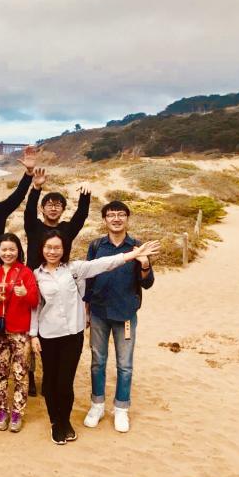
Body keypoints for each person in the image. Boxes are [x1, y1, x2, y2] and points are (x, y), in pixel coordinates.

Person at [30, 229, 159, 445]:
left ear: (64, 250)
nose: (52, 252)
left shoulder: (75, 269)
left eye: (57, 248)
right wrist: (33, 335)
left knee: (65, 382)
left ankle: (65, 421)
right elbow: (35, 307)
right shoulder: (35, 275)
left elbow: (106, 263)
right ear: (42, 249)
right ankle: (55, 423)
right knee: (50, 382)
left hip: (73, 334)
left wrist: (132, 256)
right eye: (48, 247)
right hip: (47, 335)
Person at [83, 201, 156, 433]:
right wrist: (86, 308)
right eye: (111, 215)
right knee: (97, 362)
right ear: (104, 219)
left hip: (125, 313)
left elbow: (147, 283)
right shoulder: (96, 245)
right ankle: (97, 405)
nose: (116, 219)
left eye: (121, 215)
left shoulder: (136, 246)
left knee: (125, 365)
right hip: (99, 312)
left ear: (127, 218)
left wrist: (144, 264)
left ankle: (121, 409)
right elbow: (89, 277)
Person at [23, 168, 91, 397]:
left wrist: (85, 196)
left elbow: (81, 216)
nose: (53, 207)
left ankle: (48, 376)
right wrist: (36, 188)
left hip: (58, 281)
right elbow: (28, 212)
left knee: (50, 330)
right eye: (49, 204)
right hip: (34, 280)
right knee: (30, 329)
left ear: (62, 209)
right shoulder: (34, 227)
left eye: (57, 204)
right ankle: (30, 377)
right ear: (43, 208)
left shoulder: (65, 230)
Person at [0, 233, 39, 433]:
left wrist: (26, 294)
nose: (8, 253)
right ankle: (2, 409)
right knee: (0, 373)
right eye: (4, 249)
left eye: (12, 249)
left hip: (20, 332)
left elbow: (35, 302)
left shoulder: (26, 272)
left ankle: (17, 412)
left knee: (20, 373)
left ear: (18, 251)